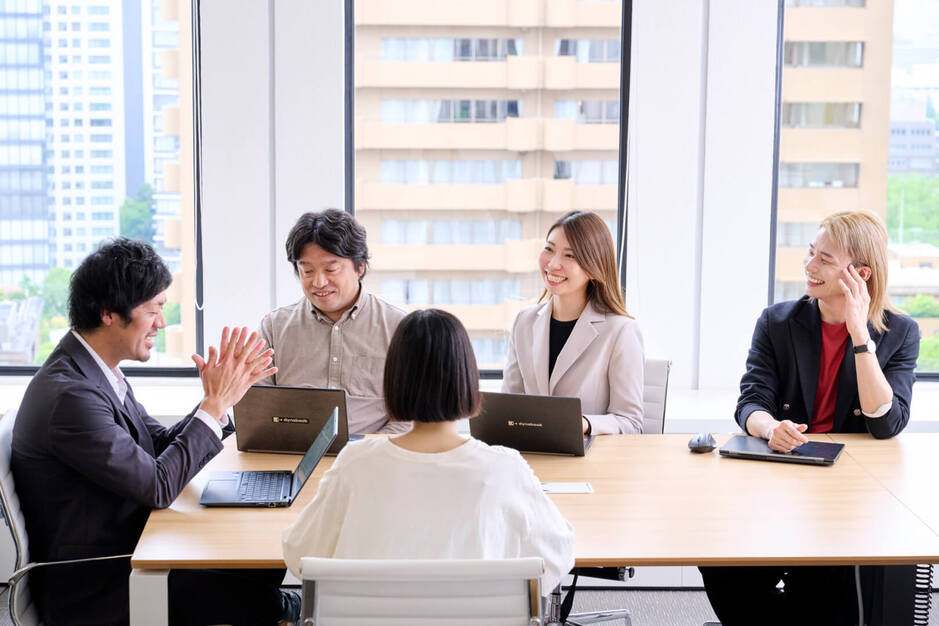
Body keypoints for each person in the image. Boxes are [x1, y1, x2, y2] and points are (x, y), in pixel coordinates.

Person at [12, 238, 299, 626]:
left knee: (259, 570)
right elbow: (158, 486)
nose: (161, 323)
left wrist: (218, 401)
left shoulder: (97, 370)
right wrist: (213, 407)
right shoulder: (71, 397)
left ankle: (277, 608)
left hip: (131, 545)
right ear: (110, 313)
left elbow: (158, 444)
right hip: (98, 583)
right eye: (154, 310)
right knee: (253, 583)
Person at [700, 210, 920, 626]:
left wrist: (860, 336)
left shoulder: (900, 333)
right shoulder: (778, 321)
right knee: (719, 562)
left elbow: (886, 423)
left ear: (861, 274)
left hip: (847, 500)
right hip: (778, 486)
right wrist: (770, 427)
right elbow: (751, 401)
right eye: (810, 253)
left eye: (825, 259)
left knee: (827, 591)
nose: (809, 265)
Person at [282, 309, 575, 593]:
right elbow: (554, 560)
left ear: (394, 381)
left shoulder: (355, 463)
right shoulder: (505, 468)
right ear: (467, 379)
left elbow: (300, 554)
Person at [259, 209, 408, 434]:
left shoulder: (400, 328)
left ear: (360, 267)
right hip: (291, 456)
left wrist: (364, 455)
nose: (318, 282)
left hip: (374, 458)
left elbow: (413, 415)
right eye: (307, 270)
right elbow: (258, 408)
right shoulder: (274, 328)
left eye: (331, 269)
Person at [502, 210, 644, 434]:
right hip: (532, 457)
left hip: (589, 464)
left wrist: (586, 424)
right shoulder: (524, 322)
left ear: (593, 267)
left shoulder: (621, 331)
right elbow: (507, 407)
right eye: (549, 249)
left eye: (570, 256)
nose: (553, 263)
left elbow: (630, 423)